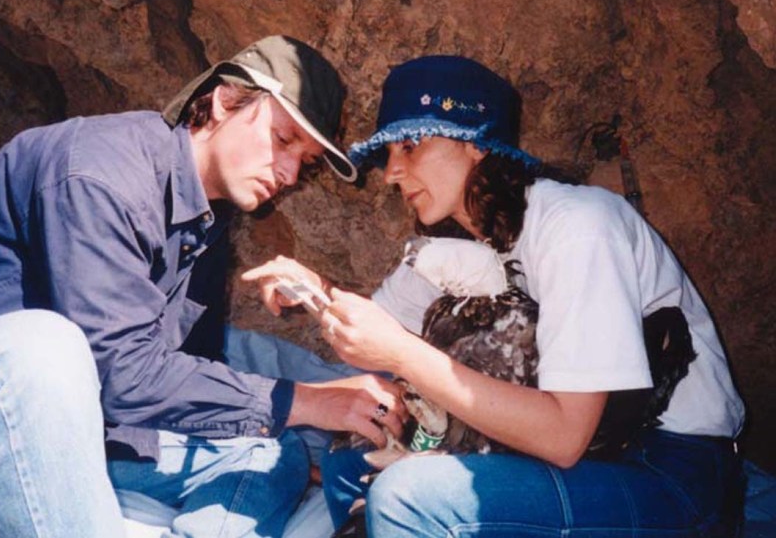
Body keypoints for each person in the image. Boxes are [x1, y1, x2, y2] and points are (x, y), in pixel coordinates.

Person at [243, 55, 746, 537]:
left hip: (669, 467)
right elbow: (375, 331)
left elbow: (564, 438)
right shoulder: (461, 240)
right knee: (350, 459)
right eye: (389, 154)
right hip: (597, 454)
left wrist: (404, 356)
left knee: (406, 496)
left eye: (411, 145)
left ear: (476, 144)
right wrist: (315, 291)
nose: (392, 172)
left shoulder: (577, 227)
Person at [0, 35, 407, 538]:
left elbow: (184, 371)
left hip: (57, 432)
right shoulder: (100, 173)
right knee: (37, 349)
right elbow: (122, 374)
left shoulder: (206, 214)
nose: (290, 174)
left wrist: (284, 417)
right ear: (225, 99)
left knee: (270, 450)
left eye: (305, 163)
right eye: (283, 139)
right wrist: (308, 400)